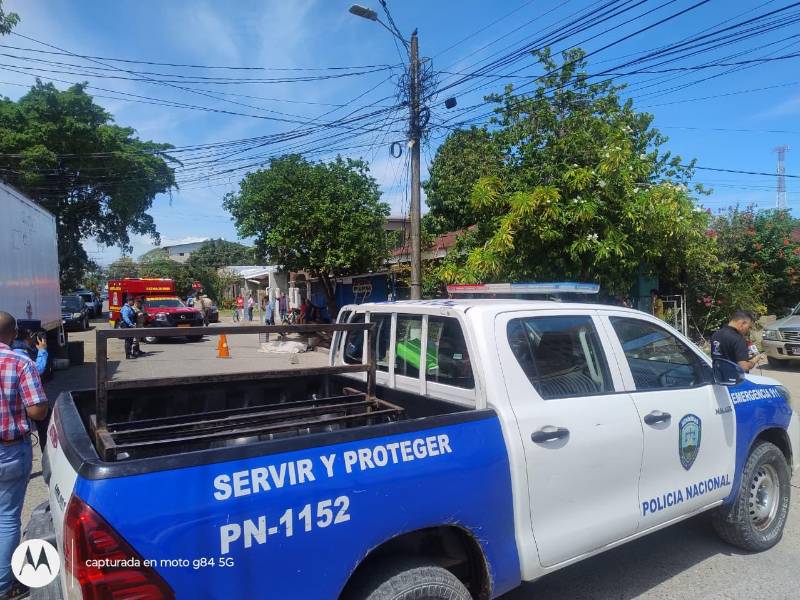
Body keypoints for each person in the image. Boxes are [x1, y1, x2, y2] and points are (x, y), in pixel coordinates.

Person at [0, 311, 48, 600]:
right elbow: (37, 410)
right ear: (13, 333)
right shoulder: (21, 363)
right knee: (6, 519)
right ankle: (4, 586)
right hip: (9, 451)